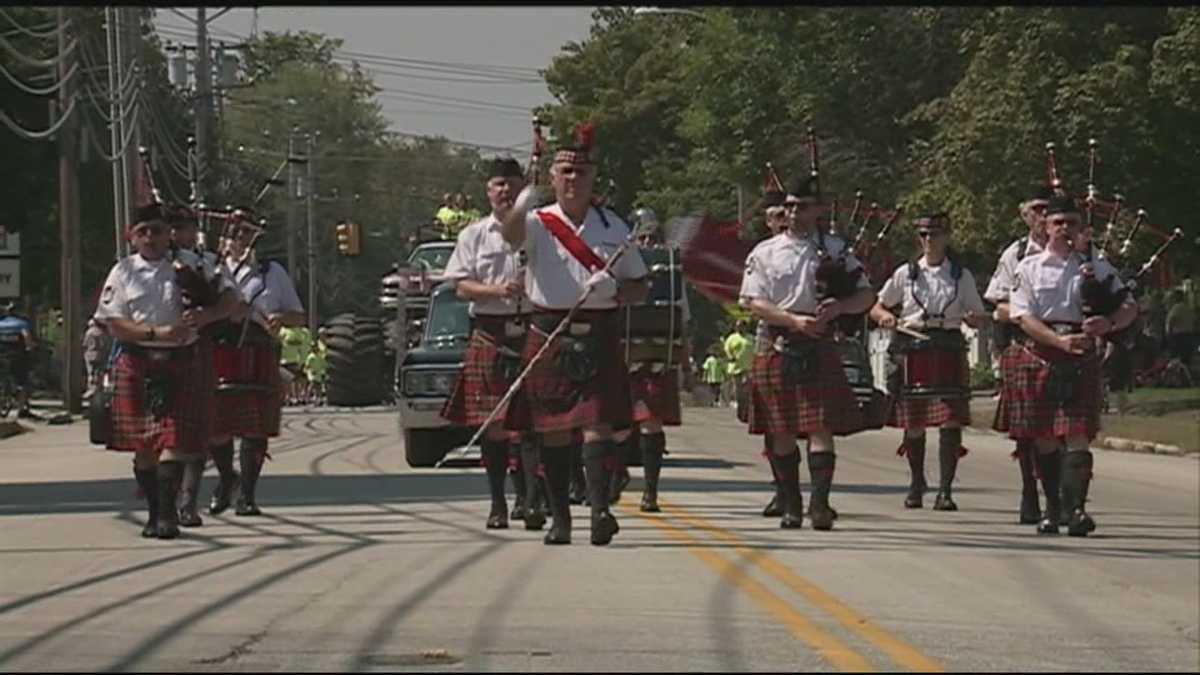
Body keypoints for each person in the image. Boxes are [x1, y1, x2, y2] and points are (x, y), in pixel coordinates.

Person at [499, 121, 650, 545]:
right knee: (552, 430)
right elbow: (511, 237)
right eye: (564, 172)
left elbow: (641, 285)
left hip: (598, 331)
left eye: (580, 172)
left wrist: (616, 289)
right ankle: (561, 519)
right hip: (549, 330)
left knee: (598, 425)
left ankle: (600, 511)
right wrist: (519, 206)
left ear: (592, 178)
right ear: (552, 178)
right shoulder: (537, 221)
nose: (573, 180)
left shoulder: (613, 227)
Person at [92, 203, 238, 538]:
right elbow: (113, 322)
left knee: (175, 439)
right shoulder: (122, 272)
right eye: (142, 232)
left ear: (167, 233)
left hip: (184, 360)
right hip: (138, 361)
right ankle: (156, 513)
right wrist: (156, 334)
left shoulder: (196, 263)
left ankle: (168, 515)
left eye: (157, 230)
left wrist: (208, 316)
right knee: (144, 448)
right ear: (131, 237)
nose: (151, 238)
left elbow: (232, 299)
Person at [739, 174, 875, 530]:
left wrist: (840, 308)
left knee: (820, 426)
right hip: (779, 342)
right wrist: (793, 321)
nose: (794, 213)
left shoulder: (835, 249)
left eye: (802, 207)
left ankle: (819, 503)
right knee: (781, 430)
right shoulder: (765, 252)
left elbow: (866, 295)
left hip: (819, 343)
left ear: (819, 209)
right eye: (790, 206)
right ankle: (791, 504)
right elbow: (754, 302)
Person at [1005, 195, 1137, 535]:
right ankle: (1052, 508)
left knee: (1077, 434)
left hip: (1081, 356)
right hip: (1041, 354)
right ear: (1045, 227)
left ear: (1081, 227)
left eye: (1072, 223)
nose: (1065, 229)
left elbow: (1128, 306)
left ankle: (1077, 510)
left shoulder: (1096, 266)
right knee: (1046, 438)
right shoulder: (1028, 268)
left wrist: (1108, 324)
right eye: (1058, 223)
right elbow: (1023, 317)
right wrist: (1058, 341)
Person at [440, 157, 545, 531]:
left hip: (533, 329)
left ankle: (532, 500)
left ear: (523, 190)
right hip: (490, 332)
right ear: (488, 191)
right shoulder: (473, 235)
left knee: (534, 423)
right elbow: (460, 285)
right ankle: (498, 503)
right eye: (498, 184)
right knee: (495, 425)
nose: (505, 191)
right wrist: (497, 290)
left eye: (513, 184)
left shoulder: (541, 231)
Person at [870, 213, 986, 510]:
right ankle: (916, 482)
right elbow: (878, 306)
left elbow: (978, 315)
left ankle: (945, 490)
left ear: (946, 237)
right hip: (912, 345)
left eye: (934, 234)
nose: (929, 240)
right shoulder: (906, 273)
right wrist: (884, 316)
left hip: (947, 345)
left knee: (950, 419)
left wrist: (975, 319)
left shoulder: (961, 275)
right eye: (923, 235)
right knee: (915, 422)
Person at [205, 208, 306, 520]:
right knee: (216, 426)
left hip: (258, 349)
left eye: (247, 234)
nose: (241, 241)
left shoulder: (271, 271)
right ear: (223, 239)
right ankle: (226, 476)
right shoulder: (210, 269)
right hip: (221, 350)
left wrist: (279, 318)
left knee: (254, 428)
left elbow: (297, 315)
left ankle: (247, 495)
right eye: (235, 235)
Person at [610, 214, 689, 513]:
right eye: (641, 238)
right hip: (619, 354)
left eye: (652, 238)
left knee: (651, 423)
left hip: (656, 355)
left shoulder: (670, 275)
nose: (647, 244)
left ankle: (650, 492)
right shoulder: (619, 266)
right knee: (617, 423)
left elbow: (681, 320)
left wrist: (685, 365)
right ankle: (617, 473)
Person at [985, 184, 1053, 525]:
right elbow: (997, 304)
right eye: (1036, 209)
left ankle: (1065, 499)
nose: (1043, 215)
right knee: (1027, 430)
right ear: (1024, 214)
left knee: (1066, 430)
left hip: (1068, 344)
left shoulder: (1079, 250)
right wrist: (1024, 315)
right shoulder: (1015, 254)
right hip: (1026, 346)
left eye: (1047, 208)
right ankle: (1030, 490)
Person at [0, 299, 36, 418]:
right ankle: (21, 409)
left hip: (2, 357)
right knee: (22, 382)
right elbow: (27, 338)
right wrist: (30, 348)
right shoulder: (21, 324)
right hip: (18, 357)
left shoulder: (1, 324)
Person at [1165, 290, 1196, 365]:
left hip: (1179, 337)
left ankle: (1178, 374)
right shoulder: (1188, 308)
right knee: (1186, 359)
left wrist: (1168, 333)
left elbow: (1171, 320)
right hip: (1189, 335)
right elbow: (1195, 321)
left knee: (1176, 358)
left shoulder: (1177, 307)